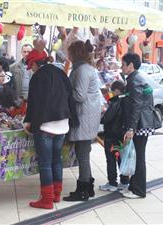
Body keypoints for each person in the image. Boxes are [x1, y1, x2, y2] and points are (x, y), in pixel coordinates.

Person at [23, 49, 74, 209]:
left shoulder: (38, 76)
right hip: (63, 123)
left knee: (45, 163)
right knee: (56, 160)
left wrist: (28, 120)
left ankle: (46, 200)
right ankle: (56, 195)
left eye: (31, 66)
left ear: (36, 64)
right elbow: (70, 96)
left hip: (45, 124)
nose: (31, 69)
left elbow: (33, 101)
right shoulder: (61, 73)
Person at [63, 40, 101, 202]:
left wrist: (63, 92)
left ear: (75, 54)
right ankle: (88, 187)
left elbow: (79, 95)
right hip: (87, 117)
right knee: (83, 153)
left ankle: (83, 190)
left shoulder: (82, 70)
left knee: (83, 155)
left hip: (84, 117)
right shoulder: (84, 69)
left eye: (69, 52)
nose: (67, 55)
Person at [121, 53, 155, 198]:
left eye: (123, 64)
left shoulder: (134, 79)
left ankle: (139, 190)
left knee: (139, 157)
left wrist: (130, 128)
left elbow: (136, 105)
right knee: (136, 156)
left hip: (140, 124)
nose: (121, 67)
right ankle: (134, 187)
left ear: (130, 65)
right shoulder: (137, 77)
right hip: (142, 122)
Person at [99, 80, 129, 192]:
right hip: (120, 135)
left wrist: (102, 116)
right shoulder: (124, 99)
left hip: (111, 135)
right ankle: (125, 181)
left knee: (111, 158)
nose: (111, 93)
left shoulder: (116, 103)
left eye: (112, 91)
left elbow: (106, 119)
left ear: (117, 91)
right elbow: (108, 97)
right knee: (121, 158)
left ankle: (112, 183)